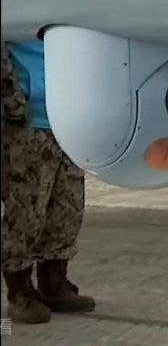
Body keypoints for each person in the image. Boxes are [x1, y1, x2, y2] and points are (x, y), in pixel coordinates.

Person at [2, 41, 96, 324]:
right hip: (25, 123)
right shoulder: (16, 3)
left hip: (69, 120)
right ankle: (19, 291)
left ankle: (54, 282)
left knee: (67, 208)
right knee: (26, 212)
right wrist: (11, 102)